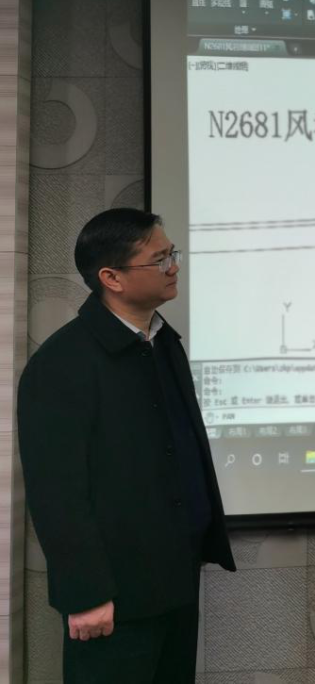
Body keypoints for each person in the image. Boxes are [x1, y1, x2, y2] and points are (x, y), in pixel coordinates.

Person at [18, 208, 235, 683]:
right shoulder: (63, 363)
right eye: (159, 259)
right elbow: (56, 493)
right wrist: (86, 595)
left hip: (175, 579)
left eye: (172, 254)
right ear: (111, 278)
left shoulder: (163, 341)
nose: (173, 267)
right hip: (113, 598)